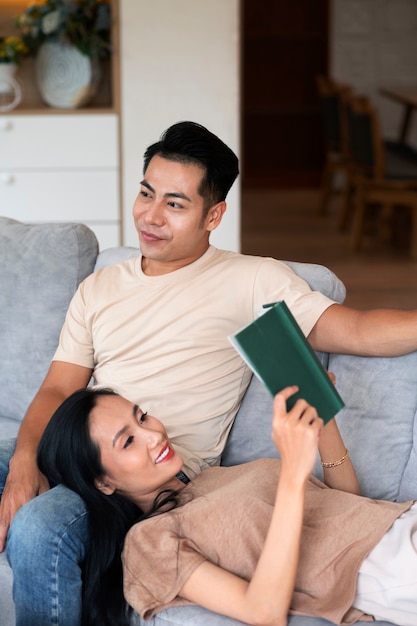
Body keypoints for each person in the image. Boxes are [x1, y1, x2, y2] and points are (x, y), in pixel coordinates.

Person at [2, 120, 417, 625]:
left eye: (175, 205)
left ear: (213, 215)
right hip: (88, 438)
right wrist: (26, 461)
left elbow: (356, 330)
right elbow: (60, 388)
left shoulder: (250, 280)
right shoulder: (99, 288)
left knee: (39, 529)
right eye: (146, 193)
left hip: (145, 476)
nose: (151, 217)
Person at [37, 385, 416, 626]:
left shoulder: (212, 477)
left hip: (403, 520)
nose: (153, 434)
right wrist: (293, 475)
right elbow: (262, 612)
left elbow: (348, 506)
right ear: (103, 482)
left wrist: (325, 426)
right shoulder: (147, 543)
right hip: (391, 569)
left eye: (142, 416)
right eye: (128, 441)